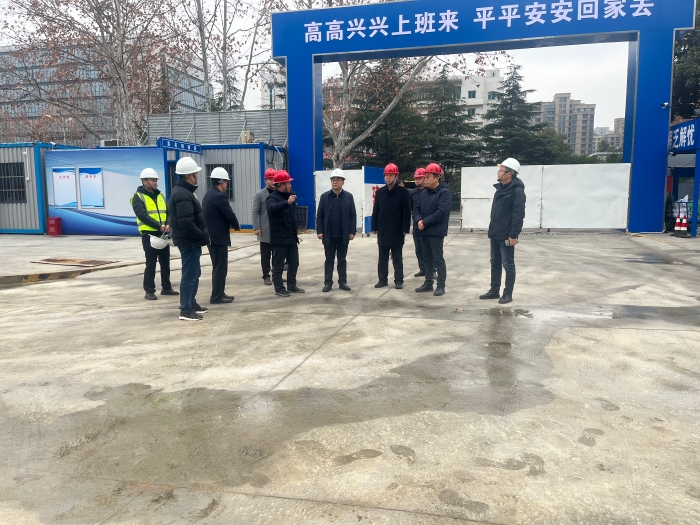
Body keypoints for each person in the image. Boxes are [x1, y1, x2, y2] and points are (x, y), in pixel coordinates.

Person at [480, 157, 526, 305]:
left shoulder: (517, 192)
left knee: (508, 264)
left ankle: (507, 294)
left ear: (509, 174)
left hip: (506, 235)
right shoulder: (500, 189)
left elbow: (518, 215)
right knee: (495, 263)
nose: (498, 172)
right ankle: (494, 290)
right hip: (495, 233)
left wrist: (513, 234)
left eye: (501, 170)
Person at [169, 157, 210, 321]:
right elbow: (186, 222)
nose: (198, 176)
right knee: (189, 275)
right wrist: (200, 235)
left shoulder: (184, 191)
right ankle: (185, 310)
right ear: (191, 175)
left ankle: (191, 303)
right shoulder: (183, 194)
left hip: (190, 241)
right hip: (189, 241)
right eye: (196, 173)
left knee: (195, 272)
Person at [130, 168, 178, 301]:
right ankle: (149, 290)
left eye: (156, 180)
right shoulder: (138, 197)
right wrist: (158, 226)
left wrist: (168, 224)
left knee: (165, 262)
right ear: (144, 181)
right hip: (149, 234)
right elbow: (142, 215)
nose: (155, 182)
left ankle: (166, 287)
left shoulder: (161, 195)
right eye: (152, 180)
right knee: (151, 263)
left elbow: (169, 211)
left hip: (163, 233)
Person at [202, 167, 241, 304]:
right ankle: (217, 296)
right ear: (223, 182)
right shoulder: (219, 197)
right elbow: (229, 214)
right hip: (218, 237)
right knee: (220, 268)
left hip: (211, 237)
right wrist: (236, 226)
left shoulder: (208, 195)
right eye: (226, 182)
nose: (226, 185)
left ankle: (219, 292)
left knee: (217, 266)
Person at [413, 163, 451, 296]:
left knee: (437, 259)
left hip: (436, 231)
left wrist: (425, 222)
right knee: (427, 258)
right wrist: (418, 220)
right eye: (425, 177)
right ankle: (428, 283)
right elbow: (416, 209)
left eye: (428, 177)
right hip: (423, 230)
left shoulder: (444, 193)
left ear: (437, 178)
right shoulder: (424, 193)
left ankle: (441, 285)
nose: (426, 179)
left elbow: (441, 212)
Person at [371, 163, 411, 289]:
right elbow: (376, 210)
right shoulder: (380, 192)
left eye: (390, 175)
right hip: (383, 229)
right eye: (386, 175)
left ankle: (399, 280)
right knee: (382, 258)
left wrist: (405, 228)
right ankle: (382, 280)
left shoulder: (403, 192)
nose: (388, 178)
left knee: (397, 257)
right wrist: (374, 226)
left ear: (396, 176)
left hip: (397, 230)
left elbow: (407, 212)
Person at [316, 168, 357, 292]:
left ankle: (342, 282)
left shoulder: (348, 197)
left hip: (343, 235)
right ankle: (328, 283)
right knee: (329, 260)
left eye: (338, 179)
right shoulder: (325, 197)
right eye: (333, 179)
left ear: (343, 182)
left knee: (342, 260)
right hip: (328, 235)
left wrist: (352, 231)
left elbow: (352, 215)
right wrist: (320, 231)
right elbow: (320, 215)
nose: (335, 182)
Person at [267, 170, 304, 297]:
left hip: (291, 236)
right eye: (288, 183)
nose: (290, 185)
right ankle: (279, 288)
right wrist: (286, 203)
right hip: (279, 238)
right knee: (278, 264)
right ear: (282, 185)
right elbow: (271, 209)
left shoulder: (290, 194)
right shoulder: (272, 198)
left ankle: (291, 285)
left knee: (294, 262)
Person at [253, 168, 277, 285]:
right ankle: (266, 275)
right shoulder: (260, 195)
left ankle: (276, 274)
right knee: (266, 255)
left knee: (277, 254)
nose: (272, 181)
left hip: (277, 230)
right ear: (265, 180)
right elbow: (255, 211)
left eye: (274, 179)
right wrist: (256, 227)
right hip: (265, 229)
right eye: (270, 179)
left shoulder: (278, 193)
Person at [410, 167, 428, 278]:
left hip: (428, 225)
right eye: (416, 178)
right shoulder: (413, 193)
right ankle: (422, 269)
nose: (417, 180)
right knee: (418, 248)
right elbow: (412, 209)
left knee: (428, 249)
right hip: (417, 225)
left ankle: (432, 270)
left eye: (419, 178)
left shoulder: (430, 191)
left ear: (425, 178)